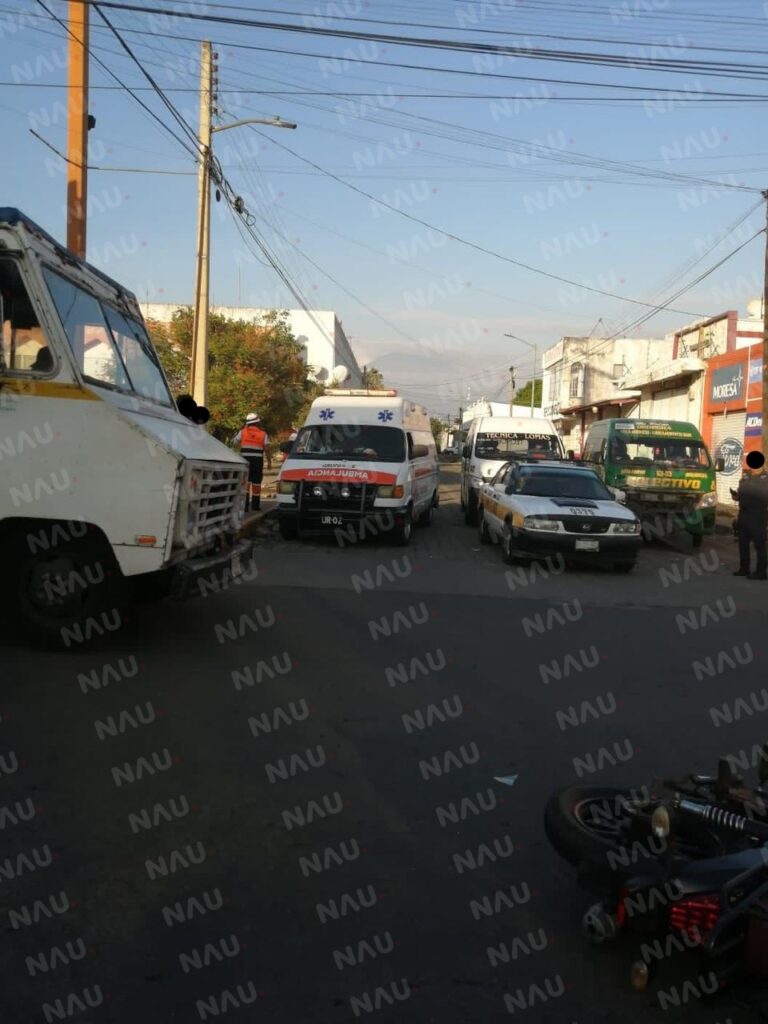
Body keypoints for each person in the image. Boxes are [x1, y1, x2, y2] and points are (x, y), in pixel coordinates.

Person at [732, 450, 768, 580]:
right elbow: (740, 495)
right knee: (743, 544)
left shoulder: (766, 478)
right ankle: (744, 568)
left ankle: (761, 572)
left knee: (759, 545)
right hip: (744, 514)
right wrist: (736, 496)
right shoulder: (745, 477)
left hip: (758, 515)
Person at [233, 412, 269, 512]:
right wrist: (269, 461)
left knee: (246, 482)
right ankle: (255, 506)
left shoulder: (242, 432)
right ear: (257, 423)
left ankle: (245, 506)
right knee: (256, 483)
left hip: (245, 460)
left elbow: (235, 442)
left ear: (247, 423)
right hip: (258, 461)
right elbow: (267, 448)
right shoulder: (263, 434)